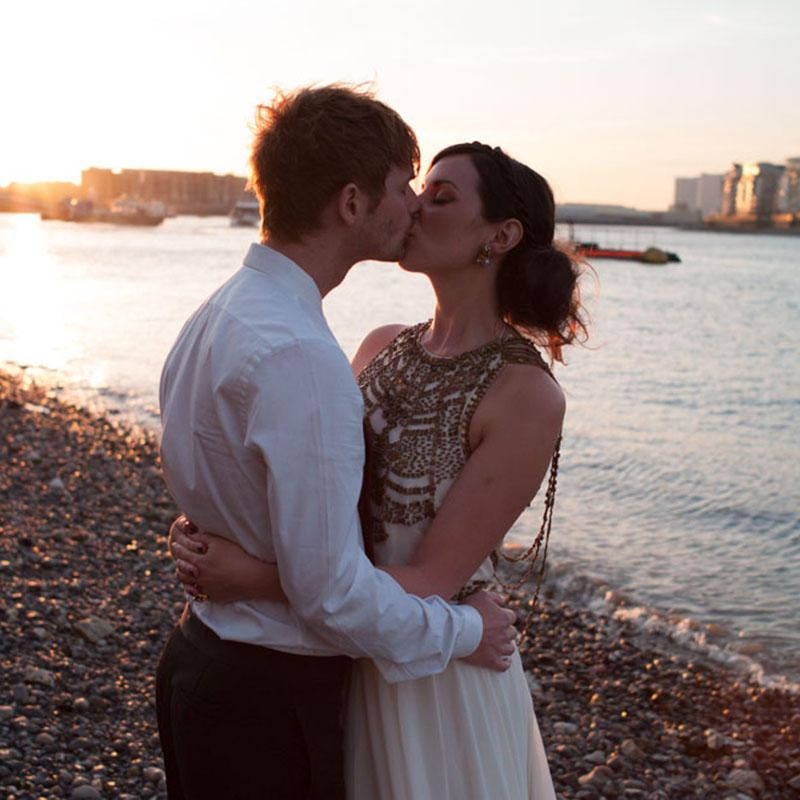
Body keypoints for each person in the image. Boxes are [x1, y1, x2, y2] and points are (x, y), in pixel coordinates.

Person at [170, 140, 589, 798]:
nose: (416, 207)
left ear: (502, 235)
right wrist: (209, 518)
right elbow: (307, 485)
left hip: (436, 677)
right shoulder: (379, 345)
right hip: (346, 650)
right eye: (418, 190)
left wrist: (252, 576)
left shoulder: (525, 395)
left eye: (443, 197)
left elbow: (430, 577)